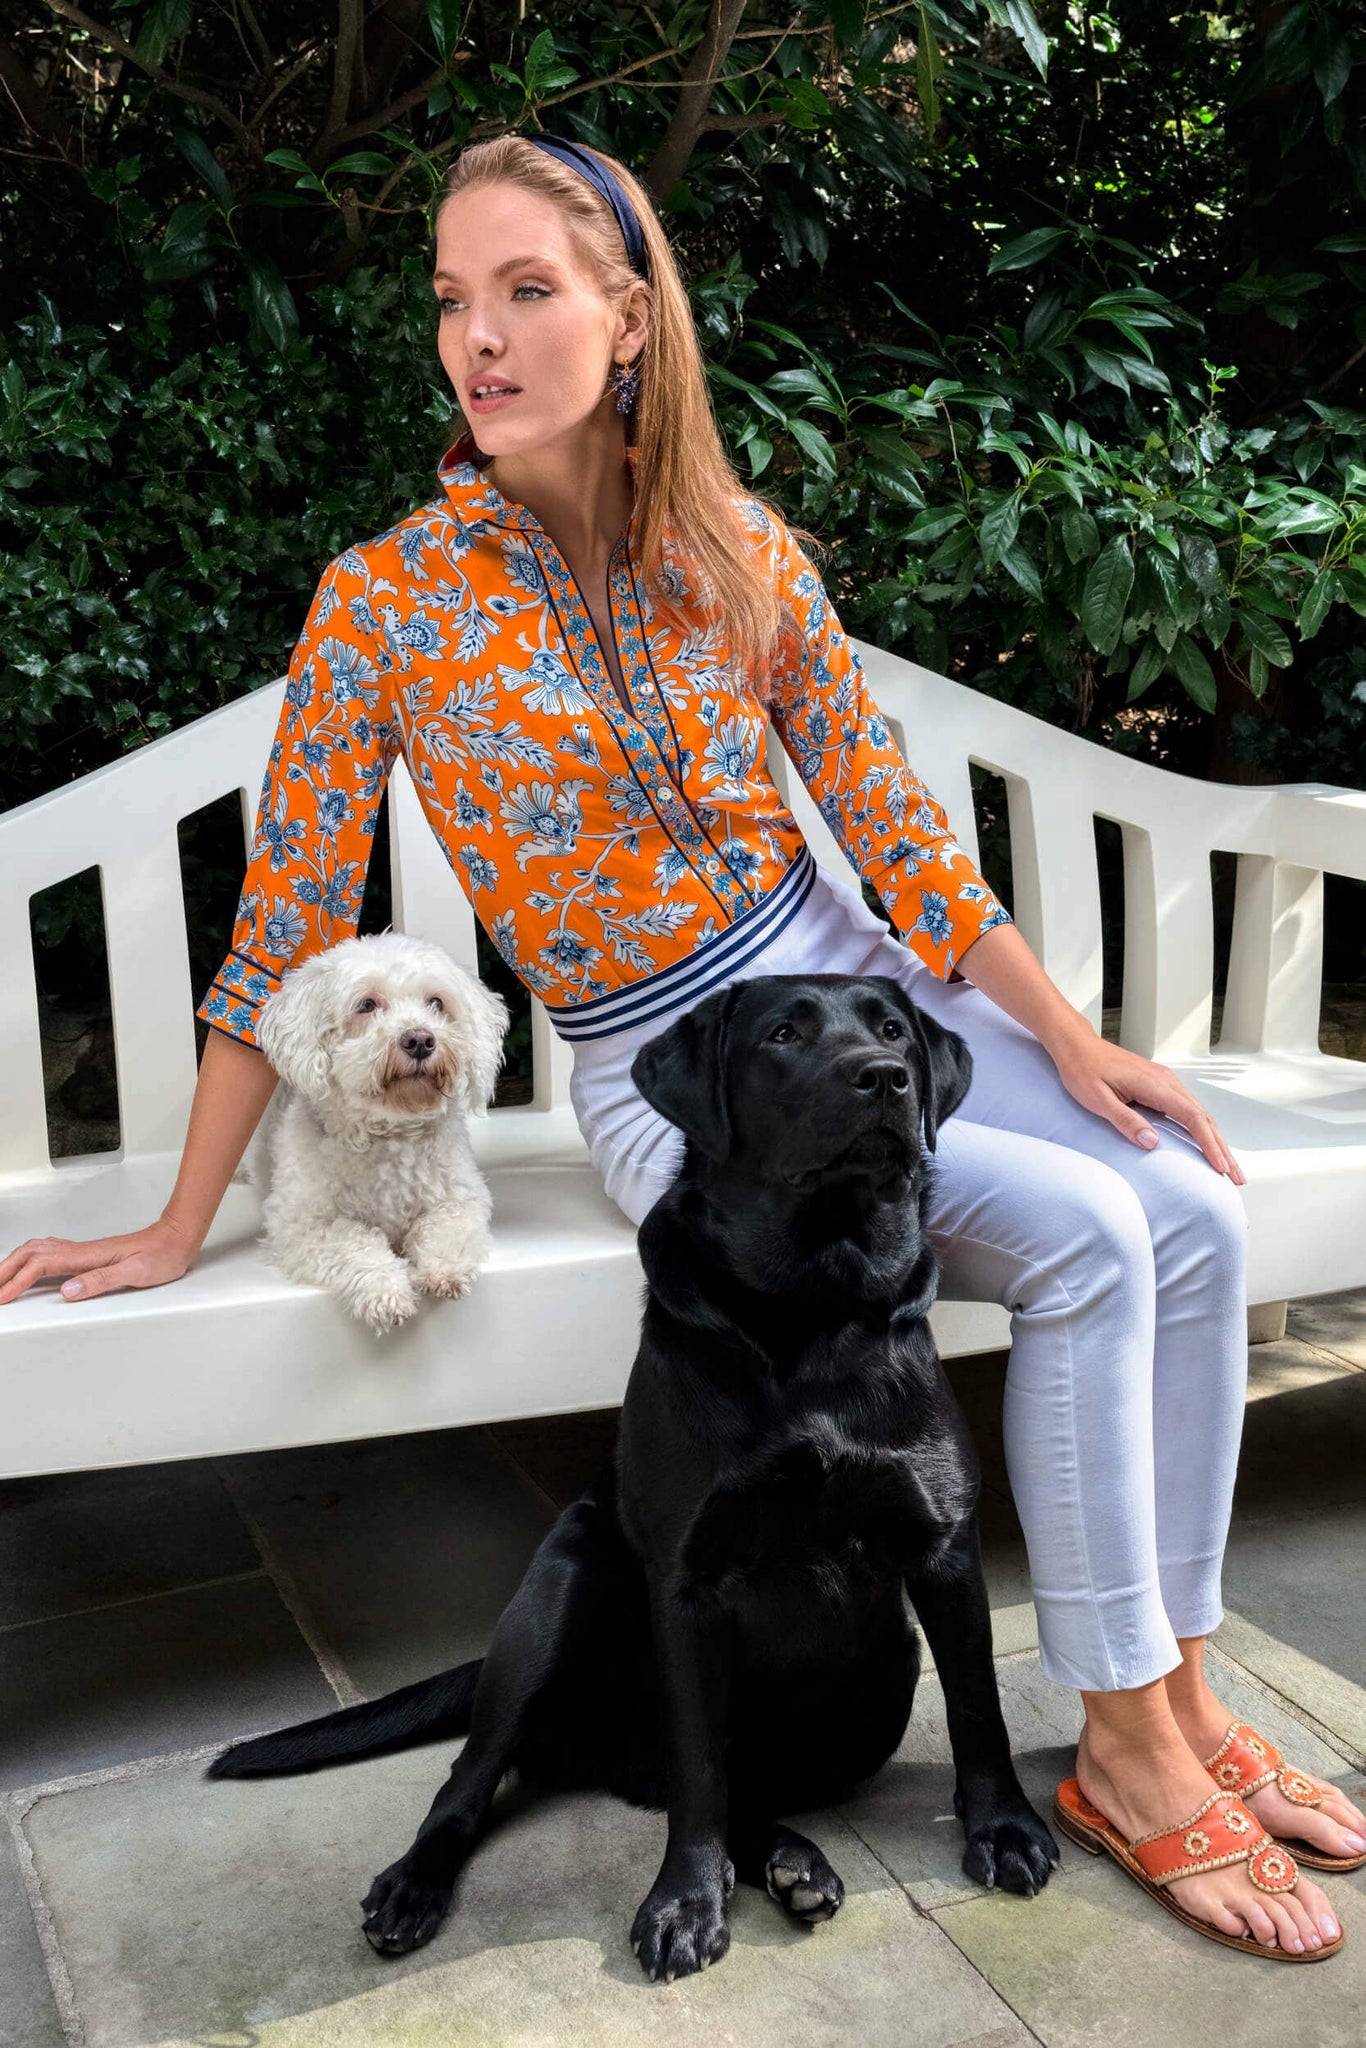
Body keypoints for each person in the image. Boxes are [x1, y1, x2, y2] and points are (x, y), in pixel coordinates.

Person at [2, 133, 1360, 1955]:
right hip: (677, 1067)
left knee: (1179, 1199)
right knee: (1095, 1236)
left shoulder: (734, 545)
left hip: (852, 990)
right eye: (451, 300)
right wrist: (177, 1226)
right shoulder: (386, 600)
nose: (477, 339)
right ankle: (1121, 1745)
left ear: (629, 318)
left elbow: (890, 828)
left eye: (525, 291)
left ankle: (1175, 1700)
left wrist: (1068, 1038)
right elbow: (285, 921)